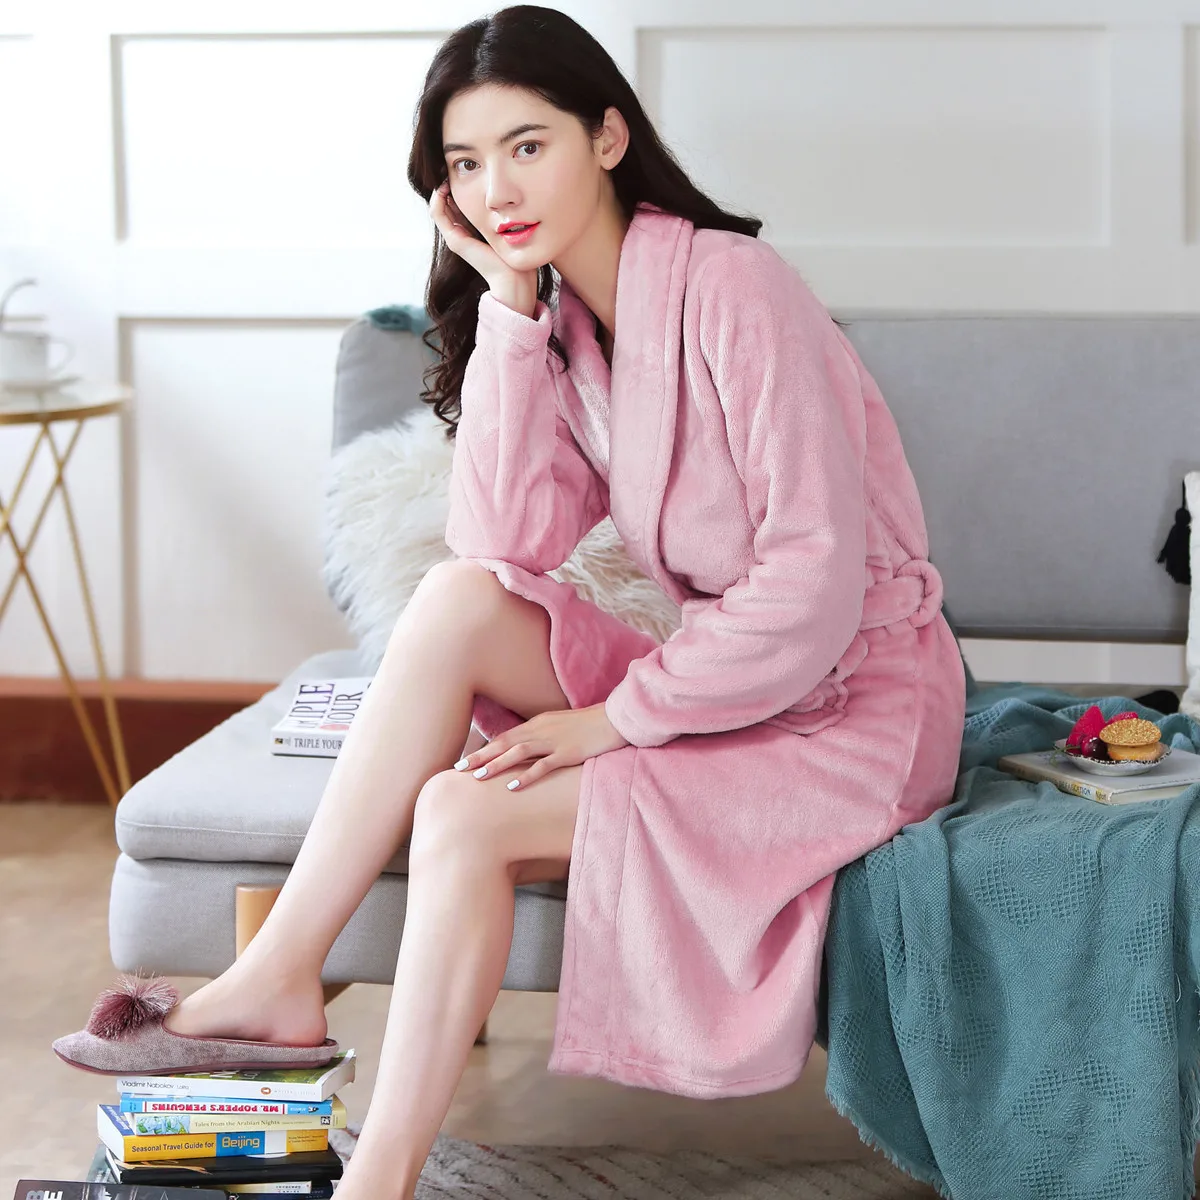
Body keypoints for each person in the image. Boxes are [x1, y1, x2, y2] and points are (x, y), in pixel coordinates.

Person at [53, 6, 967, 1198]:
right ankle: (279, 973)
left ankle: (375, 1182)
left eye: (527, 146)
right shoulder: (570, 325)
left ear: (607, 137)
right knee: (453, 602)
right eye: (468, 163)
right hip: (731, 677)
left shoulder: (737, 289)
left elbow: (811, 582)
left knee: (464, 812)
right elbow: (503, 545)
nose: (499, 189)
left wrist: (611, 722)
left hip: (849, 712)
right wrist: (512, 310)